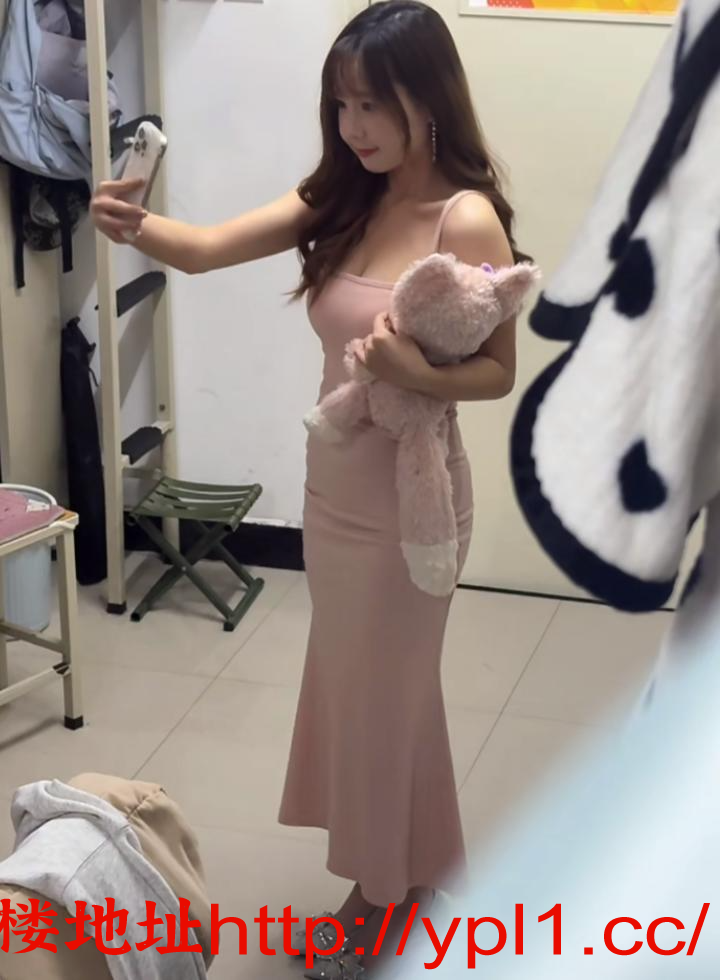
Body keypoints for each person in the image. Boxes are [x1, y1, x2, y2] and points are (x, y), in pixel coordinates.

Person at [90, 3, 526, 975]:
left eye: (372, 104)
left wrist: (413, 373)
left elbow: (499, 370)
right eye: (341, 105)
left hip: (413, 507)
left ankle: (376, 900)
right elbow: (206, 247)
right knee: (380, 697)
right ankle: (420, 868)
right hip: (333, 492)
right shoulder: (343, 197)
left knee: (380, 704)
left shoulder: (463, 217)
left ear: (427, 100)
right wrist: (133, 223)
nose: (353, 127)